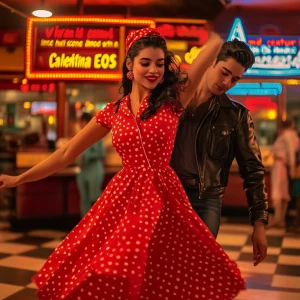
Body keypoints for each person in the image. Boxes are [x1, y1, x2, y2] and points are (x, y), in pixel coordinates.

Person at [0, 28, 245, 300]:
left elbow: (208, 50)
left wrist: (214, 32)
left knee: (162, 274)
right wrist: (19, 179)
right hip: (124, 199)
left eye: (160, 63)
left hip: (164, 199)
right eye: (145, 63)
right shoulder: (113, 110)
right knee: (112, 266)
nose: (154, 70)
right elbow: (67, 151)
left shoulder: (174, 99)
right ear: (129, 65)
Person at [171, 39, 268, 265]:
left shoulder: (236, 116)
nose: (227, 83)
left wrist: (259, 225)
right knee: (162, 266)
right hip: (166, 192)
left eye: (235, 79)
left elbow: (253, 170)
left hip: (206, 199)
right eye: (224, 73)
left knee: (196, 267)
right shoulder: (171, 99)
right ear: (211, 61)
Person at [267, 119, 299, 228]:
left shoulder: (286, 135)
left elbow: (290, 152)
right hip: (283, 166)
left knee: (278, 191)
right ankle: (280, 219)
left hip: (280, 166)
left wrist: (292, 169)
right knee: (283, 192)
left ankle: (278, 219)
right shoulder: (293, 135)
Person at [76, 112, 105, 217]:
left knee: (95, 198)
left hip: (94, 170)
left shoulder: (96, 134)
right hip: (83, 170)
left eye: (80, 122)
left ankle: (97, 222)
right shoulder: (80, 135)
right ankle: (84, 224)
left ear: (85, 122)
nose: (79, 124)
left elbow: (101, 153)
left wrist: (87, 155)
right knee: (84, 199)